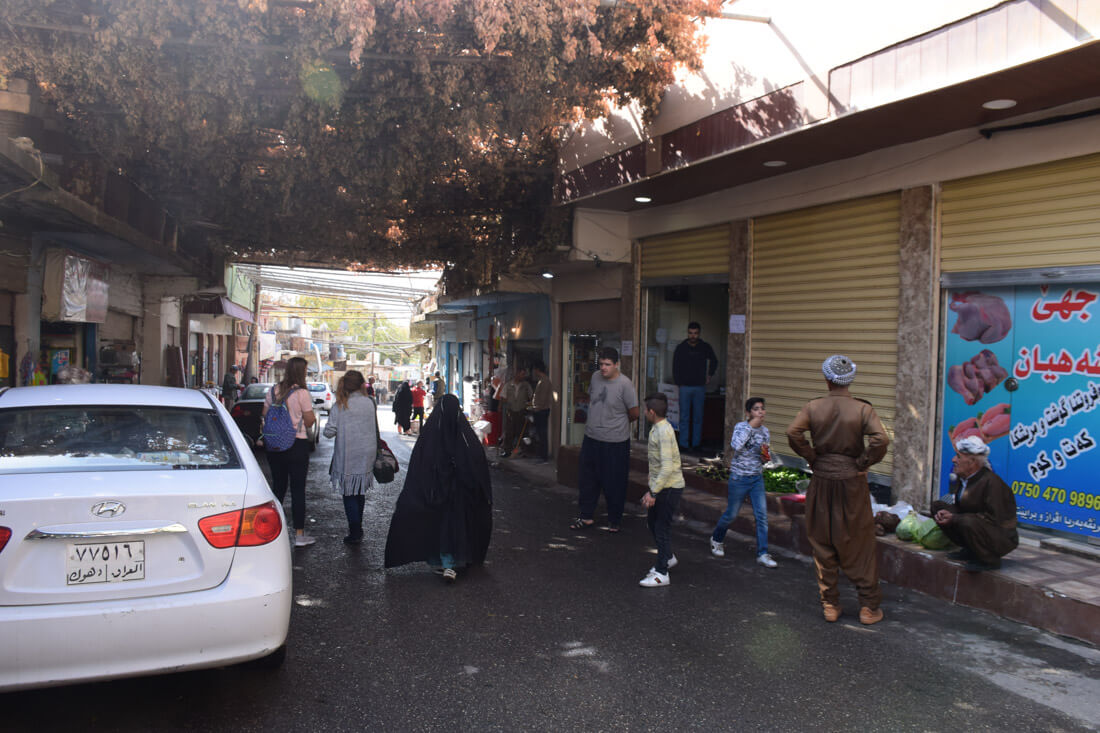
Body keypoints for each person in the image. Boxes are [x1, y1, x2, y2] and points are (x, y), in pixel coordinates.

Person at [786, 354, 889, 625]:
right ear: (850, 379)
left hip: (821, 478)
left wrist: (811, 456)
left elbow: (792, 433)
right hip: (852, 480)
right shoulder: (863, 409)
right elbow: (881, 439)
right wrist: (863, 462)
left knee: (822, 540)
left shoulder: (813, 407)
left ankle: (830, 604)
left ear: (826, 379)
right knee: (859, 541)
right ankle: (868, 607)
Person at [384, 394, 493, 583]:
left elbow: (420, 466)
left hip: (435, 492)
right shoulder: (465, 437)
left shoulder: (430, 437)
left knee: (438, 522)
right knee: (455, 524)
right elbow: (476, 465)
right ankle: (453, 559)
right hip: (459, 494)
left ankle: (442, 560)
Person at [570, 347, 639, 533]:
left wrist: (616, 424)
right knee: (587, 479)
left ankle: (614, 520)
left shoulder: (626, 385)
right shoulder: (595, 377)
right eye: (601, 364)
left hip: (615, 442)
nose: (603, 368)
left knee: (614, 481)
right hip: (592, 437)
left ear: (617, 364)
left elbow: (634, 413)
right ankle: (586, 517)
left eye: (608, 364)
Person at [709, 397, 778, 568]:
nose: (760, 412)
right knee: (731, 514)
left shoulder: (765, 431)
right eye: (756, 409)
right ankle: (716, 538)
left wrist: (765, 457)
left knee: (761, 516)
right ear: (748, 413)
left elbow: (763, 456)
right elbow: (736, 445)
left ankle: (763, 553)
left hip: (756, 478)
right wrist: (751, 427)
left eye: (762, 408)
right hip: (739, 478)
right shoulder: (741, 427)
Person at [933, 436, 1018, 572]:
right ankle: (970, 550)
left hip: (1001, 536)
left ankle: (989, 559)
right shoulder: (965, 479)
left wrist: (955, 518)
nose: (953, 460)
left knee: (967, 521)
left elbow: (996, 520)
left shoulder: (992, 483)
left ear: (972, 462)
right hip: (978, 525)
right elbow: (962, 507)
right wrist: (949, 514)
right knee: (938, 507)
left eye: (958, 457)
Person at [263, 356, 317, 547]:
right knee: (297, 490)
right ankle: (299, 535)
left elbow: (265, 415)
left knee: (278, 487)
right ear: (302, 372)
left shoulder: (273, 390)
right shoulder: (301, 393)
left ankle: (271, 533)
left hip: (275, 446)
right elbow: (309, 421)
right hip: (296, 444)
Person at [323, 370, 378, 545]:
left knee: (348, 492)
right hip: (367, 453)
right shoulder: (370, 403)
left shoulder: (340, 405)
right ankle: (358, 527)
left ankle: (354, 531)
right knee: (359, 490)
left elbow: (329, 432)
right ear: (362, 384)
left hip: (348, 454)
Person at [638, 393, 685, 587]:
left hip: (670, 488)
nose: (644, 413)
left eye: (645, 410)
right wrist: (652, 486)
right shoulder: (657, 429)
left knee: (661, 528)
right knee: (652, 522)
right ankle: (667, 557)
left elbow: (667, 467)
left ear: (651, 412)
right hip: (661, 486)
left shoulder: (664, 432)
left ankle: (661, 573)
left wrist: (653, 492)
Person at [672, 322, 719, 455]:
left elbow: (714, 360)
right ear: (687, 333)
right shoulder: (681, 348)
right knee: (684, 417)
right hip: (685, 387)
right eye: (691, 333)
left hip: (699, 386)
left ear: (699, 333)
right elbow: (675, 365)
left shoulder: (704, 347)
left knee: (698, 417)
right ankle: (683, 444)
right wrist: (678, 382)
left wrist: (709, 375)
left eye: (695, 333)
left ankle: (696, 443)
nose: (693, 336)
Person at [499, 367, 533, 458]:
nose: (523, 376)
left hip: (522, 411)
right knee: (509, 432)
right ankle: (507, 451)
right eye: (522, 374)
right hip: (511, 411)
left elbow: (531, 397)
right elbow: (502, 396)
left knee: (523, 433)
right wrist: (503, 405)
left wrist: (529, 406)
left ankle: (524, 451)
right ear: (516, 374)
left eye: (524, 374)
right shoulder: (508, 385)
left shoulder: (526, 385)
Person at [530, 361, 556, 464]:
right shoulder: (542, 380)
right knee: (540, 433)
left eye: (534, 370)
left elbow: (543, 398)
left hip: (542, 411)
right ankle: (541, 455)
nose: (533, 372)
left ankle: (543, 456)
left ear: (537, 369)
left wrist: (536, 407)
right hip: (540, 410)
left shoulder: (545, 381)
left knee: (542, 433)